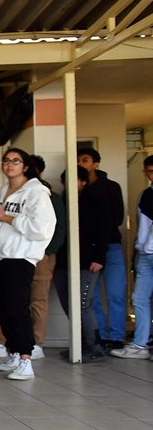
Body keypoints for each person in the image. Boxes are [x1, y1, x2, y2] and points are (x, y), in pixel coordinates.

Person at [0, 155, 65, 360]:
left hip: (20, 258)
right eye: (6, 161)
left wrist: (6, 217)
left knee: (18, 308)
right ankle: (14, 354)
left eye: (15, 161)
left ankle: (26, 357)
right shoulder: (0, 192)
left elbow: (40, 229)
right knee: (2, 308)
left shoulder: (37, 192)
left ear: (25, 167)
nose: (9, 165)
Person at [56, 166, 109, 363]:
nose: (69, 184)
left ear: (83, 182)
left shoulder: (95, 202)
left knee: (83, 305)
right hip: (62, 262)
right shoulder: (61, 202)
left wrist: (99, 258)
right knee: (69, 304)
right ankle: (80, 345)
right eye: (66, 180)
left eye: (74, 179)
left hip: (88, 262)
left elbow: (104, 231)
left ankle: (94, 346)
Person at [78, 147, 127, 350]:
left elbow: (117, 218)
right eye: (79, 160)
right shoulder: (78, 189)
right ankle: (100, 336)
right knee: (93, 296)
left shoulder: (111, 187)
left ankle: (117, 337)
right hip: (88, 249)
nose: (81, 163)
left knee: (116, 293)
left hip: (112, 245)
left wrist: (100, 226)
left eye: (86, 160)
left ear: (96, 163)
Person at [110, 155, 153, 359]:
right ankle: (140, 344)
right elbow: (140, 226)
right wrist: (138, 250)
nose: (152, 174)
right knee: (139, 298)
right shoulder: (144, 194)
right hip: (145, 254)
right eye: (150, 171)